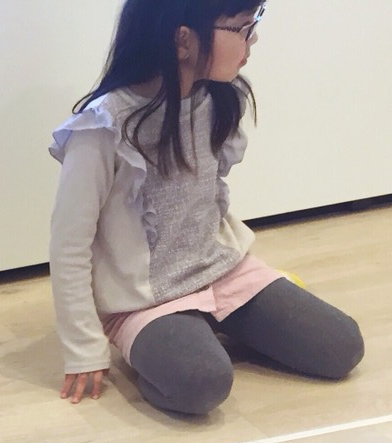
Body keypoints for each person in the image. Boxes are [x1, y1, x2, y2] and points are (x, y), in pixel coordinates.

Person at [48, 0, 364, 415]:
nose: (253, 39)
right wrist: (84, 347)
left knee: (342, 347)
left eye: (254, 24)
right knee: (202, 383)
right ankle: (179, 336)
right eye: (241, 28)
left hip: (222, 272)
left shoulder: (219, 98)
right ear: (183, 40)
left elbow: (209, 194)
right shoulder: (103, 127)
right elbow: (69, 244)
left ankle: (213, 324)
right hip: (146, 300)